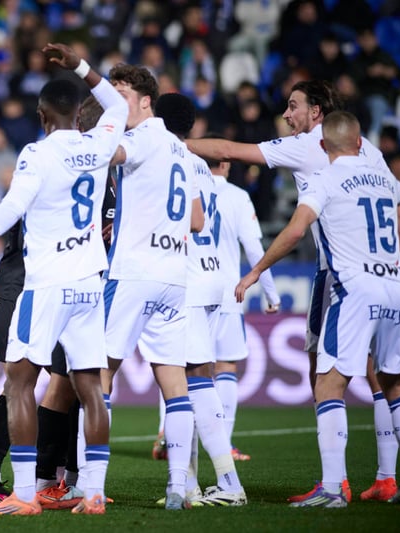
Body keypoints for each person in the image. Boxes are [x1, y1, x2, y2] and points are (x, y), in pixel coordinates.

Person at [186, 79, 400, 502]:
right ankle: (391, 477)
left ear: (317, 114)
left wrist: (175, 144)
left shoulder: (311, 148)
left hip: (340, 275)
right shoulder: (369, 150)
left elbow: (230, 150)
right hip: (388, 276)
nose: (286, 114)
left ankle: (335, 483)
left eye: (293, 106)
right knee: (386, 378)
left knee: (324, 379)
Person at [0, 42, 128, 516]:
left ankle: (23, 495)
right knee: (91, 388)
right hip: (90, 285)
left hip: (46, 287)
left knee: (19, 383)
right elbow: (118, 106)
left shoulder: (36, 155)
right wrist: (81, 65)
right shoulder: (100, 145)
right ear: (79, 114)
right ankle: (94, 492)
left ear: (42, 116)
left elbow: (8, 212)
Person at [0, 95, 115, 510]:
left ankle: (42, 484)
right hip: (39, 283)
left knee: (46, 383)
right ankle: (2, 478)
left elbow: (13, 208)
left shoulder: (52, 157)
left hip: (50, 282)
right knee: (47, 382)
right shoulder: (89, 161)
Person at [99, 63, 203, 511]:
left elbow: (110, 154)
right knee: (174, 383)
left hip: (133, 272)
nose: (115, 104)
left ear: (145, 101)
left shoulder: (142, 136)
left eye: (121, 95)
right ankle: (178, 486)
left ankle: (90, 485)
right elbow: (195, 219)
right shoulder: (183, 151)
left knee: (98, 374)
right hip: (174, 275)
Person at [154, 92, 246, 507]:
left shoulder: (167, 158)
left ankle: (228, 482)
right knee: (192, 381)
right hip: (211, 277)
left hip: (187, 279)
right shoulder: (200, 166)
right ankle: (189, 483)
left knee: (191, 383)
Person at [206, 136, 281, 458]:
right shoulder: (237, 197)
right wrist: (271, 293)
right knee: (226, 366)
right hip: (225, 292)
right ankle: (224, 446)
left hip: (187, 291)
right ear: (224, 163)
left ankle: (169, 436)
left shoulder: (185, 189)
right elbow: (253, 249)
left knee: (178, 366)